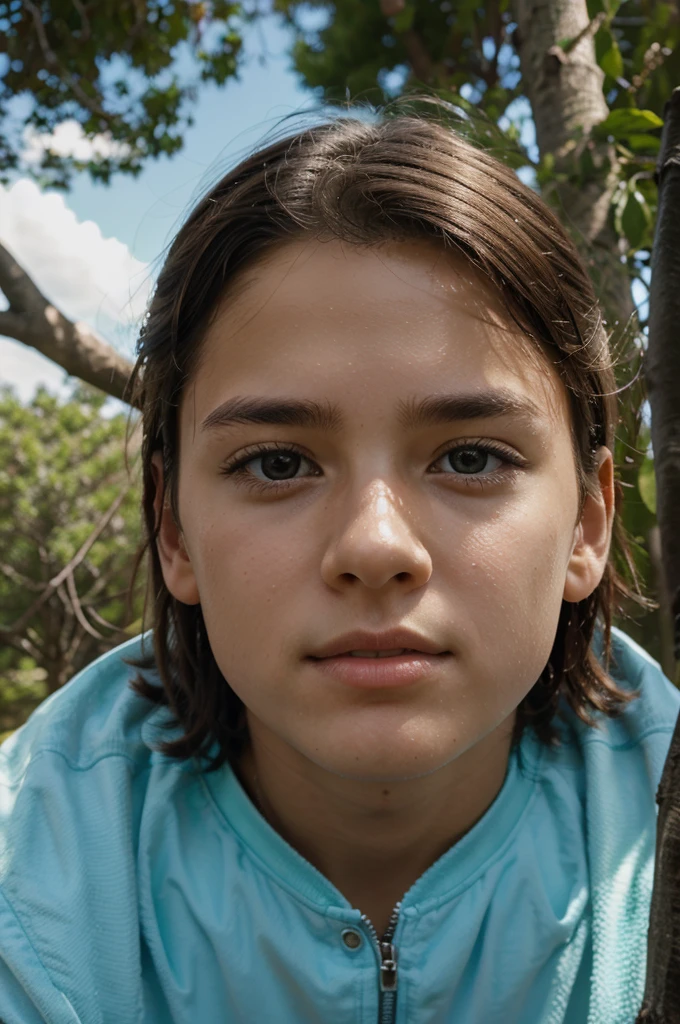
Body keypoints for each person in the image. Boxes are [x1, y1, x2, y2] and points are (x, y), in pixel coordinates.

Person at [0, 107, 677, 1024]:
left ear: (590, 521)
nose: (376, 548)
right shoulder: (26, 884)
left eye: (471, 457)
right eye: (277, 463)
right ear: (173, 531)